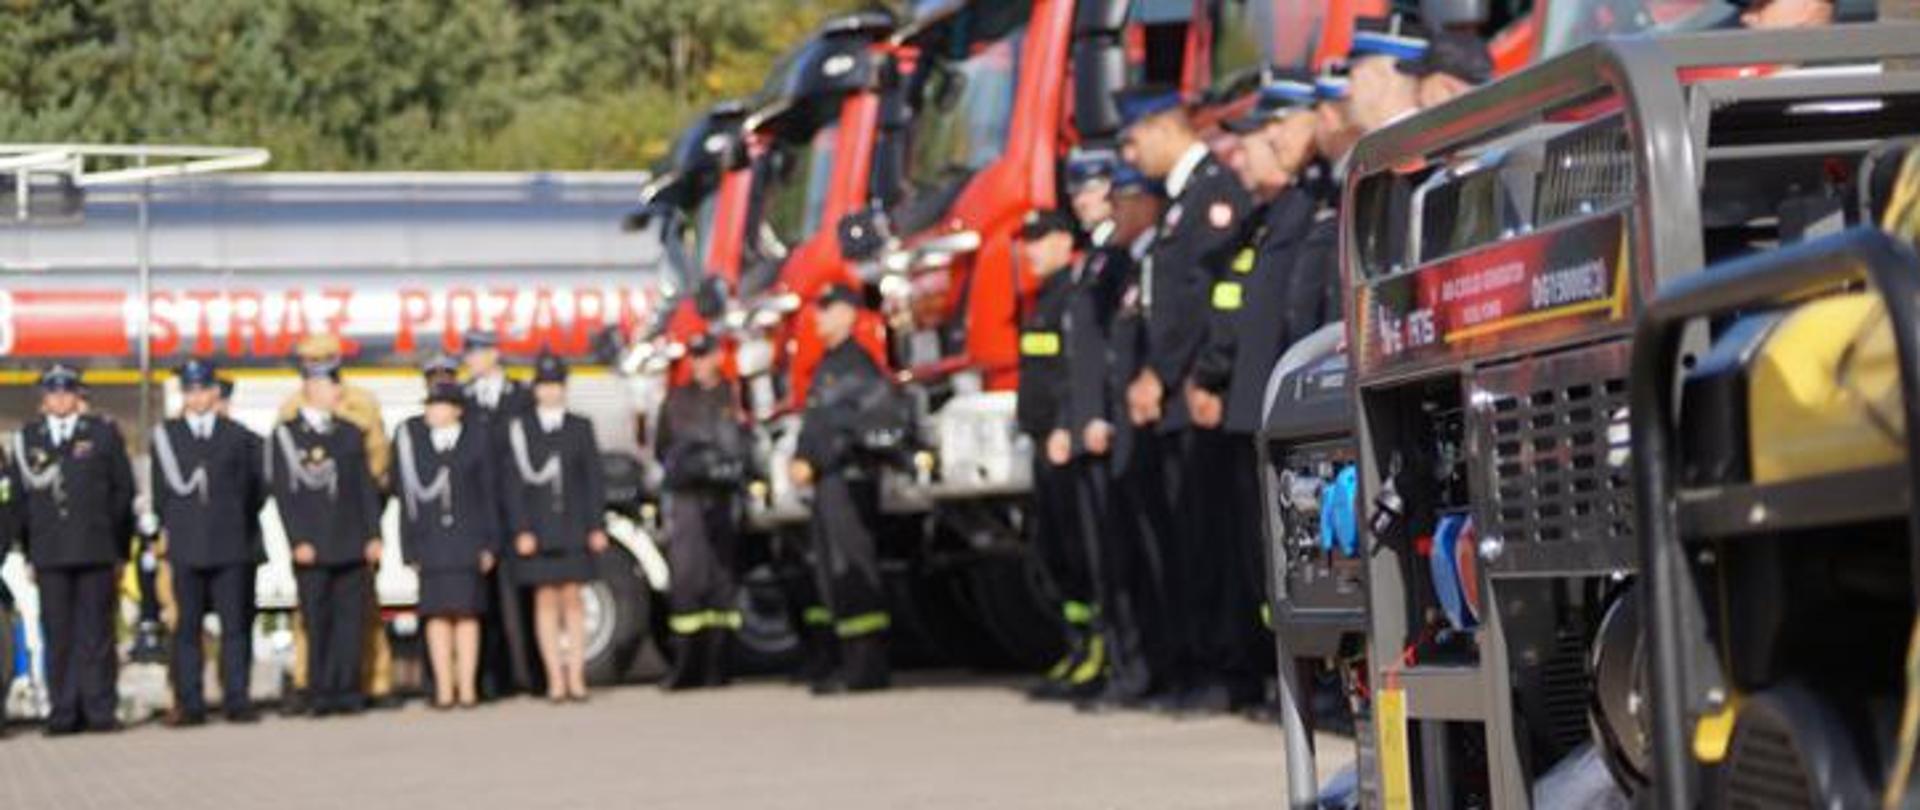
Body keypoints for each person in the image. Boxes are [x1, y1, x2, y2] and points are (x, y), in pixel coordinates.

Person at [1114, 82, 1256, 714]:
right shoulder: (1178, 205)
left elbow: (1201, 306)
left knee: (1215, 544)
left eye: (1134, 136)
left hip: (1196, 389)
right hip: (1172, 394)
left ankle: (1230, 670)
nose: (1129, 151)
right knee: (1187, 541)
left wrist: (1169, 373)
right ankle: (1201, 664)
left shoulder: (1213, 197)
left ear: (1166, 128)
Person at [9, 364, 135, 735]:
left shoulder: (102, 434)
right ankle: (63, 712)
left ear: (78, 395)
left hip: (96, 548)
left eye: (66, 392)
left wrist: (118, 547)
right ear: (44, 399)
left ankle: (99, 710)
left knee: (97, 635)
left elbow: (121, 492)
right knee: (58, 635)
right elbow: (19, 501)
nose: (60, 399)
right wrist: (28, 551)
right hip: (49, 553)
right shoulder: (28, 439)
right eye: (52, 393)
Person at [277, 333, 395, 710]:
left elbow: (372, 471)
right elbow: (287, 489)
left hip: (351, 529)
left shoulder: (358, 411)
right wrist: (298, 537)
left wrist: (372, 530)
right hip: (314, 534)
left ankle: (359, 687)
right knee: (312, 620)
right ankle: (313, 686)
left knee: (357, 620)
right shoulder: (290, 414)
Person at [789, 284, 894, 694]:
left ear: (849, 314)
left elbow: (848, 427)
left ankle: (866, 667)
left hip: (847, 479)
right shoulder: (830, 363)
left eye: (827, 309)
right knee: (833, 572)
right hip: (827, 480)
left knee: (853, 570)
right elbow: (816, 422)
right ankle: (847, 660)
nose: (818, 317)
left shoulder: (856, 364)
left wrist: (812, 459)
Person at [1017, 208, 1104, 701]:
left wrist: (1065, 426)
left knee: (1079, 550)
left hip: (1062, 442)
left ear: (1063, 241)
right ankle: (1076, 647)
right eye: (1026, 241)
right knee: (1056, 554)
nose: (1030, 249)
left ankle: (1097, 650)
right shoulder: (1043, 299)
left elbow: (1075, 371)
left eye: (1039, 238)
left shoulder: (1072, 294)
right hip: (1041, 442)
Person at [152, 359, 267, 726]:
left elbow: (256, 490)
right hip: (185, 546)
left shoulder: (238, 436)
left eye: (203, 389)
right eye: (190, 390)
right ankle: (191, 703)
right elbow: (160, 494)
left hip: (231, 544)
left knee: (235, 627)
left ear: (215, 392)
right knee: (187, 629)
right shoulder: (167, 436)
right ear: (183, 394)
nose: (197, 396)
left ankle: (237, 699)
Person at [504, 353, 608, 703]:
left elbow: (593, 480)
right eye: (545, 385)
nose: (550, 392)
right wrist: (521, 529)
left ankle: (576, 676)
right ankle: (554, 679)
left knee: (573, 600)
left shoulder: (580, 426)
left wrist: (596, 525)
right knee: (545, 601)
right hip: (538, 529)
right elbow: (514, 485)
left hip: (573, 526)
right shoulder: (522, 429)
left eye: (556, 385)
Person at [395, 380, 501, 709]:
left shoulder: (475, 443)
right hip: (431, 543)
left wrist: (490, 543)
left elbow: (489, 495)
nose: (432, 411)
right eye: (429, 405)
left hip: (467, 541)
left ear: (456, 410)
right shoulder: (415, 446)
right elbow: (407, 501)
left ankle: (467, 687)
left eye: (439, 405)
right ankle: (444, 688)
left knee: (467, 615)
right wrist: (408, 547)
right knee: (437, 615)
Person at [655, 332, 751, 690]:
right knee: (687, 578)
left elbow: (745, 441)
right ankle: (686, 665)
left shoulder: (733, 395)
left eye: (704, 355)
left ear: (717, 356)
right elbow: (662, 448)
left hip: (723, 496)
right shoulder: (677, 400)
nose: (698, 363)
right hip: (687, 497)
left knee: (721, 580)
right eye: (693, 356)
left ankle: (718, 664)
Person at [460, 329, 535, 697]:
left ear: (494, 354)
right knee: (484, 597)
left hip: (518, 507)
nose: (472, 359)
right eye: (469, 352)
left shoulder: (520, 396)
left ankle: (534, 675)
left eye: (478, 351)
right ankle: (493, 679)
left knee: (526, 594)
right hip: (478, 511)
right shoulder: (463, 399)